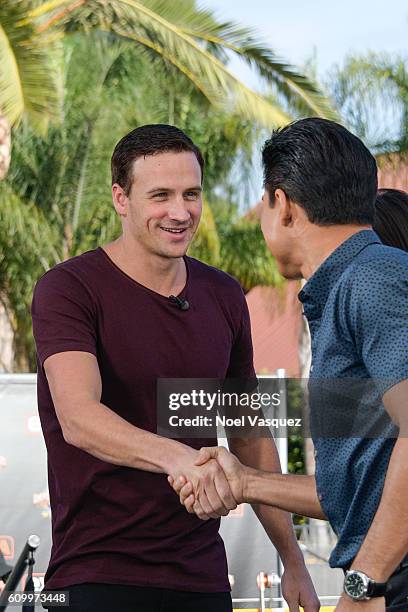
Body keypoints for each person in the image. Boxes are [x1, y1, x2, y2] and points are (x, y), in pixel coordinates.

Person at [31, 124, 318, 612]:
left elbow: (248, 432)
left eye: (191, 194)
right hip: (95, 572)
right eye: (160, 195)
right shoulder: (69, 288)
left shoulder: (224, 294)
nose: (180, 212)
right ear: (121, 198)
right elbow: (79, 417)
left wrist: (291, 556)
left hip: (202, 578)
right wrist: (178, 458)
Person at [172, 119, 408, 612]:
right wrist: (245, 482)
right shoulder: (346, 288)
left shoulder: (371, 279)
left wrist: (368, 582)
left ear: (282, 205)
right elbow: (361, 487)